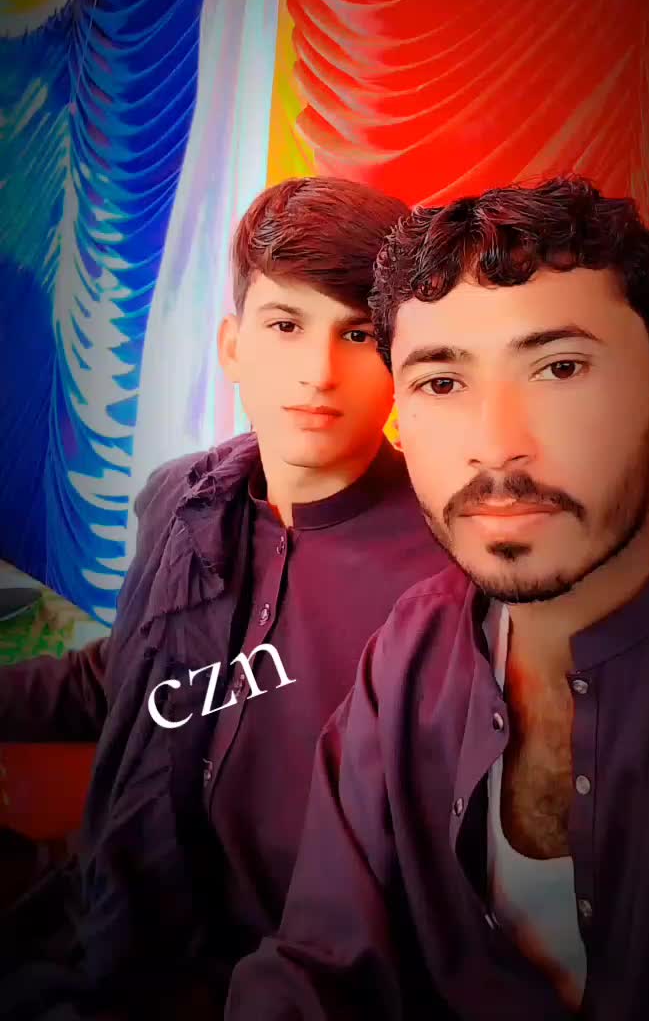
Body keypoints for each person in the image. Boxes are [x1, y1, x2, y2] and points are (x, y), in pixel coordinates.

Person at [227, 177, 649, 1021]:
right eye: (443, 383)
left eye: (560, 369)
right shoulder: (409, 654)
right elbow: (316, 963)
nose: (497, 448)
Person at [0, 177, 446, 1020]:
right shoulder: (181, 501)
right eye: (286, 325)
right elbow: (134, 679)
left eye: (358, 333)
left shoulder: (444, 585)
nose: (317, 372)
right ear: (233, 346)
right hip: (108, 922)